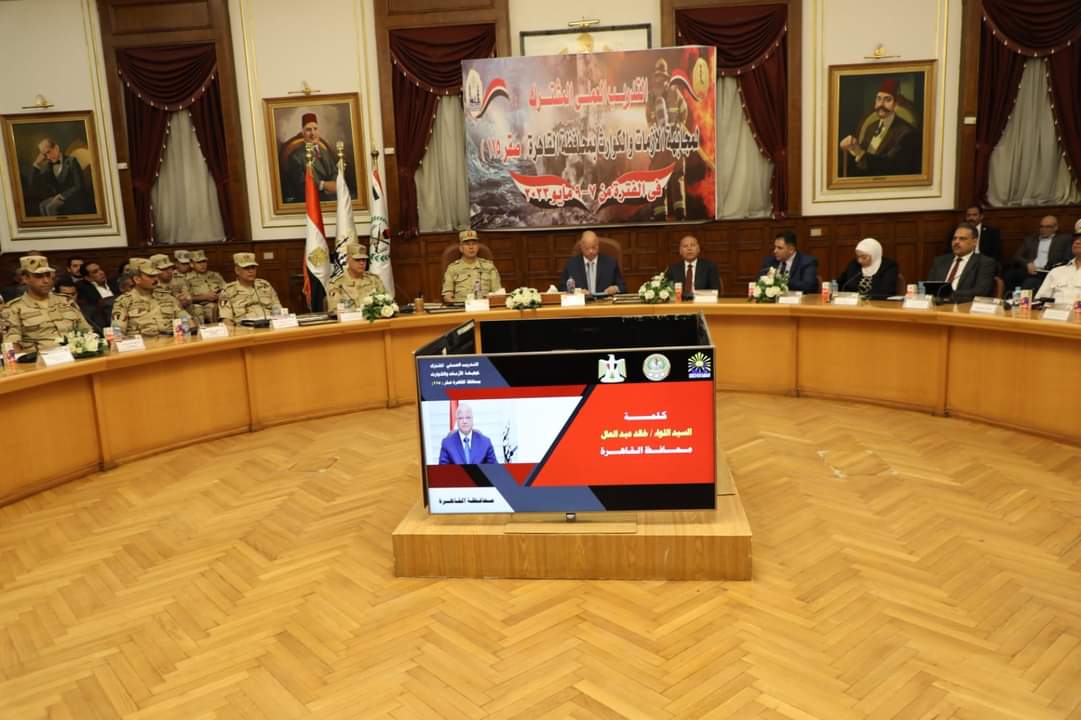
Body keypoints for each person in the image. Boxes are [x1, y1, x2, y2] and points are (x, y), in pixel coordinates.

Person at [0, 255, 92, 352]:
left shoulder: (66, 301)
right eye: (39, 276)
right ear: (25, 278)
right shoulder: (13, 309)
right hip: (38, 359)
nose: (46, 281)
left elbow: (87, 332)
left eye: (48, 275)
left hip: (76, 356)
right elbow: (11, 346)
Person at [839, 78, 921, 177]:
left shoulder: (906, 132)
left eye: (887, 99)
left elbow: (891, 165)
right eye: (879, 99)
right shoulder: (871, 127)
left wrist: (859, 152)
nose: (881, 104)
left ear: (895, 104)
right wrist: (851, 147)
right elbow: (860, 159)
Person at [646, 58, 688, 220]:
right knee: (658, 177)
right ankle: (660, 213)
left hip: (674, 142)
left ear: (666, 78)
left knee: (677, 176)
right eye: (658, 77)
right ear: (655, 78)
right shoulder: (651, 97)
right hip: (660, 143)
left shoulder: (675, 93)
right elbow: (649, 119)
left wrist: (678, 126)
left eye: (662, 77)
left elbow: (684, 112)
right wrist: (656, 130)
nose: (660, 80)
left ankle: (680, 212)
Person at [111, 259, 192, 336]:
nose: (156, 279)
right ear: (137, 279)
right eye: (151, 276)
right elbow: (117, 333)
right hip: (143, 344)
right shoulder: (124, 301)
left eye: (156, 276)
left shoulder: (168, 297)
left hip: (172, 342)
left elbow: (188, 322)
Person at [927, 223, 997, 303]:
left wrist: (949, 294)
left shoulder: (984, 262)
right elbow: (929, 287)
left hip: (963, 305)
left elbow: (981, 291)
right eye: (954, 238)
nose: (956, 242)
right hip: (937, 304)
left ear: (974, 242)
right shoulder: (940, 261)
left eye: (962, 239)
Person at [26, 138, 95, 216]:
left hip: (73, 198)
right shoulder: (48, 166)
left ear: (56, 148)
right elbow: (32, 184)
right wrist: (36, 164)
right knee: (42, 206)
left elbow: (79, 186)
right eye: (45, 155)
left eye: (48, 152)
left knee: (50, 207)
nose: (48, 157)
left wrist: (62, 196)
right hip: (57, 198)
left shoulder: (72, 161)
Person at [1004, 215, 1073, 293]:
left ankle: (1024, 300)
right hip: (1030, 269)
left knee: (1030, 282)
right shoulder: (1031, 239)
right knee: (1009, 275)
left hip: (1047, 272)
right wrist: (1027, 263)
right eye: (1041, 226)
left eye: (1048, 227)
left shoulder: (1064, 239)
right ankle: (1008, 298)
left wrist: (1054, 268)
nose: (1043, 229)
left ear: (1055, 228)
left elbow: (1068, 258)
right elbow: (1017, 256)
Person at [284, 113, 337, 203]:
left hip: (332, 196)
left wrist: (335, 184)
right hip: (312, 200)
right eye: (308, 130)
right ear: (303, 133)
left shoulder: (325, 152)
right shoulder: (295, 156)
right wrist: (323, 185)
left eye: (315, 129)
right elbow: (302, 184)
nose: (313, 133)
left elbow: (334, 172)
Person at [218, 253, 282, 326]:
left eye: (253, 267)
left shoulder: (265, 285)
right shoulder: (227, 291)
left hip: (270, 326)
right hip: (244, 329)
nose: (251, 271)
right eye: (246, 268)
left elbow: (278, 309)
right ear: (237, 270)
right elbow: (226, 320)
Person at [442, 230, 502, 303]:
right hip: (462, 306)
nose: (471, 247)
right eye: (467, 244)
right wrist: (452, 302)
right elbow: (447, 294)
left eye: (474, 244)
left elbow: (497, 292)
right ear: (461, 248)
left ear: (478, 247)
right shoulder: (452, 268)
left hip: (485, 306)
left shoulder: (489, 267)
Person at [560, 230, 625, 295]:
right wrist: (577, 291)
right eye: (587, 248)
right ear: (581, 247)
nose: (591, 251)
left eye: (594, 247)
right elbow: (562, 288)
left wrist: (615, 288)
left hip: (604, 300)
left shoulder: (610, 263)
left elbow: (623, 287)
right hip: (582, 300)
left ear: (598, 245)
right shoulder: (571, 265)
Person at [834, 238, 899, 299]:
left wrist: (863, 297)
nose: (859, 261)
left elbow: (886, 291)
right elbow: (841, 283)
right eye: (858, 257)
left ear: (874, 255)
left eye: (864, 257)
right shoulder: (854, 265)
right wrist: (831, 286)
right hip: (854, 304)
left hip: (879, 304)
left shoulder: (889, 266)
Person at [329, 241, 386, 310]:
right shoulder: (337, 283)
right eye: (357, 260)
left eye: (364, 260)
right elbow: (334, 310)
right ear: (348, 260)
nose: (361, 263)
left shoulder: (374, 280)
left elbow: (386, 303)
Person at [1035, 221, 1081, 303]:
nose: (1077, 242)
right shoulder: (1056, 271)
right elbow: (1039, 300)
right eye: (1076, 239)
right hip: (1054, 311)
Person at [664, 235, 720, 300]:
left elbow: (715, 290)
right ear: (680, 251)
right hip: (680, 303)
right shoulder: (672, 269)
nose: (689, 249)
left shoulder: (709, 267)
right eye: (685, 246)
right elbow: (667, 290)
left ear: (698, 249)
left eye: (692, 245)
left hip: (702, 303)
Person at [76, 261, 118, 331]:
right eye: (95, 272)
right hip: (104, 323)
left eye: (100, 269)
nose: (101, 272)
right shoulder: (83, 289)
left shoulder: (114, 283)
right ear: (88, 278)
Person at [186, 250, 225, 324]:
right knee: (204, 309)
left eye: (204, 262)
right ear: (191, 264)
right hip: (201, 305)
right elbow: (187, 298)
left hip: (219, 302)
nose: (202, 265)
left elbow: (226, 289)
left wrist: (219, 295)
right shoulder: (187, 278)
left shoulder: (215, 275)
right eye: (198, 262)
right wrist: (204, 297)